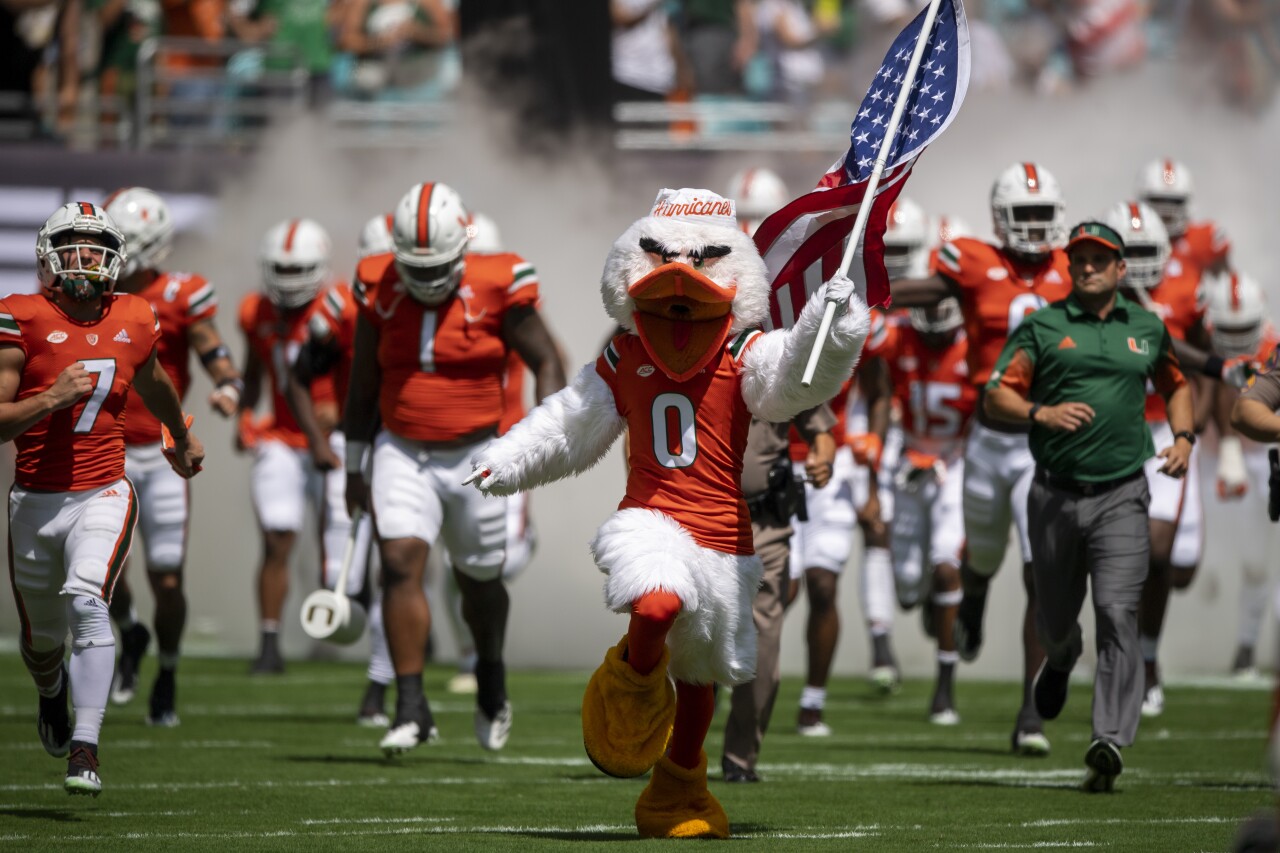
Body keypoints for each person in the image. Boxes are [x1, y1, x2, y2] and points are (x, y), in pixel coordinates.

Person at [344, 181, 565, 756]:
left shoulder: (497, 282)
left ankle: (490, 673)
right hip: (401, 448)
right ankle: (411, 705)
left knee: (480, 581)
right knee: (398, 563)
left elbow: (547, 360)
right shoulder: (376, 283)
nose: (424, 276)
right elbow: (363, 381)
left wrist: (537, 440)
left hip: (477, 454)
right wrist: (353, 464)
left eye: (436, 264)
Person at [2, 201, 205, 796]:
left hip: (103, 489)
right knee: (41, 642)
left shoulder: (137, 316)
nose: (84, 257)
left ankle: (85, 748)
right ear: (47, 254)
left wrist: (183, 438)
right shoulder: (21, 317)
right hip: (34, 501)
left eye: (94, 247)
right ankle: (51, 693)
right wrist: (48, 399)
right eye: (71, 245)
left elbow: (156, 381)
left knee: (87, 599)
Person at [985, 220, 1193, 793]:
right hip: (1054, 492)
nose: (1088, 266)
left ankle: (1108, 738)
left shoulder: (1146, 328)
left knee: (1118, 611)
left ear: (1121, 268)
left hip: (1124, 492)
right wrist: (1039, 413)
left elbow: (1176, 384)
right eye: (1078, 258)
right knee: (1054, 618)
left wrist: (1182, 438)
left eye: (1100, 258)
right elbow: (997, 393)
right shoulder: (1043, 326)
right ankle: (1058, 658)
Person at [892, 161, 1073, 756]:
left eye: (1042, 214)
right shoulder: (970, 261)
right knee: (984, 559)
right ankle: (972, 598)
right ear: (1000, 217)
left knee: (1037, 572)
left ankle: (1029, 713)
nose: (1033, 226)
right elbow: (924, 293)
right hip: (987, 442)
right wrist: (864, 294)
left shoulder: (1074, 268)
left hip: (1043, 441)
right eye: (1023, 215)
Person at [100, 187, 241, 726]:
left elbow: (216, 353)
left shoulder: (183, 294)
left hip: (161, 455)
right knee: (107, 571)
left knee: (168, 577)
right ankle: (131, 631)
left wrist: (229, 386)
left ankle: (169, 671)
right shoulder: (94, 292)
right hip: (105, 449)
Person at [1100, 200, 1213, 718]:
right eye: (1132, 250)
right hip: (1111, 429)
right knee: (1110, 551)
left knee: (1161, 553)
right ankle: (1116, 653)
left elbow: (1208, 359)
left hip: (1164, 427)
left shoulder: (1186, 291)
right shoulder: (1088, 293)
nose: (1142, 261)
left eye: (1150, 250)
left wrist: (1198, 424)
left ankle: (1145, 659)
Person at [284, 217, 393, 726]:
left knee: (403, 563)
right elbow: (300, 375)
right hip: (360, 442)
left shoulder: (452, 302)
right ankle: (385, 679)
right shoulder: (345, 307)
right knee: (361, 573)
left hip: (414, 446)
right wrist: (314, 437)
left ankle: (393, 681)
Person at [864, 297, 975, 724]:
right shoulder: (899, 334)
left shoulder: (974, 344)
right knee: (908, 591)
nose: (934, 337)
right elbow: (861, 325)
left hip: (955, 461)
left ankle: (945, 686)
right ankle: (933, 599)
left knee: (947, 566)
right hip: (909, 457)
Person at [236, 217, 339, 674]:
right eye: (281, 268)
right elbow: (254, 374)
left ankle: (340, 631)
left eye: (299, 270)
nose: (289, 280)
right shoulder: (254, 312)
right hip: (280, 435)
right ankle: (270, 641)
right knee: (278, 535)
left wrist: (342, 411)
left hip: (334, 439)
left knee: (338, 550)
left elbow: (364, 369)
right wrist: (242, 415)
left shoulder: (340, 308)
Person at [721, 406, 836, 782]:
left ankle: (739, 758)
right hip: (703, 516)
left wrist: (823, 455)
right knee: (695, 631)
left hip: (766, 522)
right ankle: (681, 751)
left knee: (763, 640)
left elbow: (820, 429)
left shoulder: (783, 355)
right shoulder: (692, 350)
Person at [1203, 271, 1279, 678]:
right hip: (1208, 452)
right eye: (1225, 329)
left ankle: (1247, 645)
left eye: (1243, 329)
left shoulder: (1274, 349)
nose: (1234, 339)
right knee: (1190, 554)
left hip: (1262, 455)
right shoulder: (1199, 341)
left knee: (1255, 558)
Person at [1136, 158, 1232, 278]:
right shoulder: (1131, 238)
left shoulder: (1205, 239)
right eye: (1158, 200)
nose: (1167, 212)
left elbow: (1225, 287)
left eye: (1175, 201)